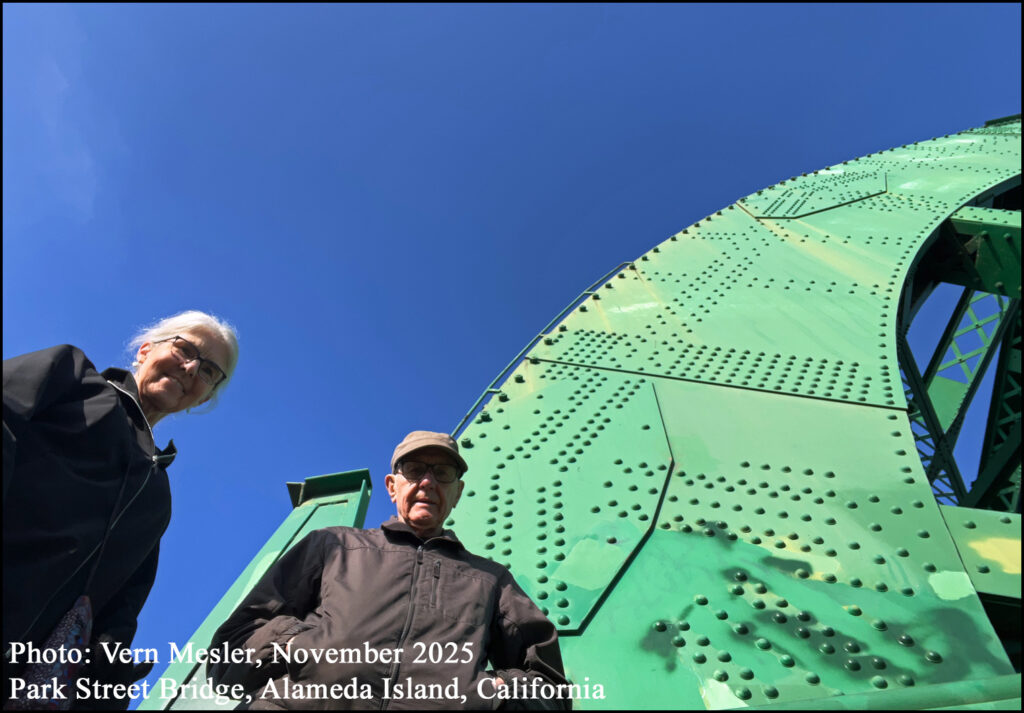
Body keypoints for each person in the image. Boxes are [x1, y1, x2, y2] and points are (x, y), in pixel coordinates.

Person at [210, 430, 571, 710]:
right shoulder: (333, 545)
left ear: (457, 493)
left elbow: (549, 686)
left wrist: (493, 694)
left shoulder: (490, 579)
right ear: (392, 487)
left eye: (442, 473)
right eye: (414, 470)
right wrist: (302, 644)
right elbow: (230, 652)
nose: (427, 482)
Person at [3, 310, 239, 709]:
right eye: (184, 348)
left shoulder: (157, 496)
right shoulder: (70, 376)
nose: (192, 368)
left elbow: (120, 611)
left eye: (210, 371)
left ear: (204, 395)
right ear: (146, 349)